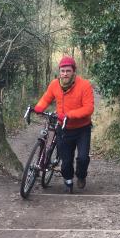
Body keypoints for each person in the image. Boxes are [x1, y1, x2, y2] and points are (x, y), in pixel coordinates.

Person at [33, 55, 94, 192]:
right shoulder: (55, 84)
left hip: (82, 129)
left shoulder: (84, 85)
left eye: (68, 71)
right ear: (59, 72)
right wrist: (38, 108)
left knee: (83, 158)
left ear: (73, 71)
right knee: (66, 161)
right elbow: (46, 98)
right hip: (64, 128)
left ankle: (81, 176)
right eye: (62, 71)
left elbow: (89, 108)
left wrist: (69, 115)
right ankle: (68, 180)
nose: (65, 74)